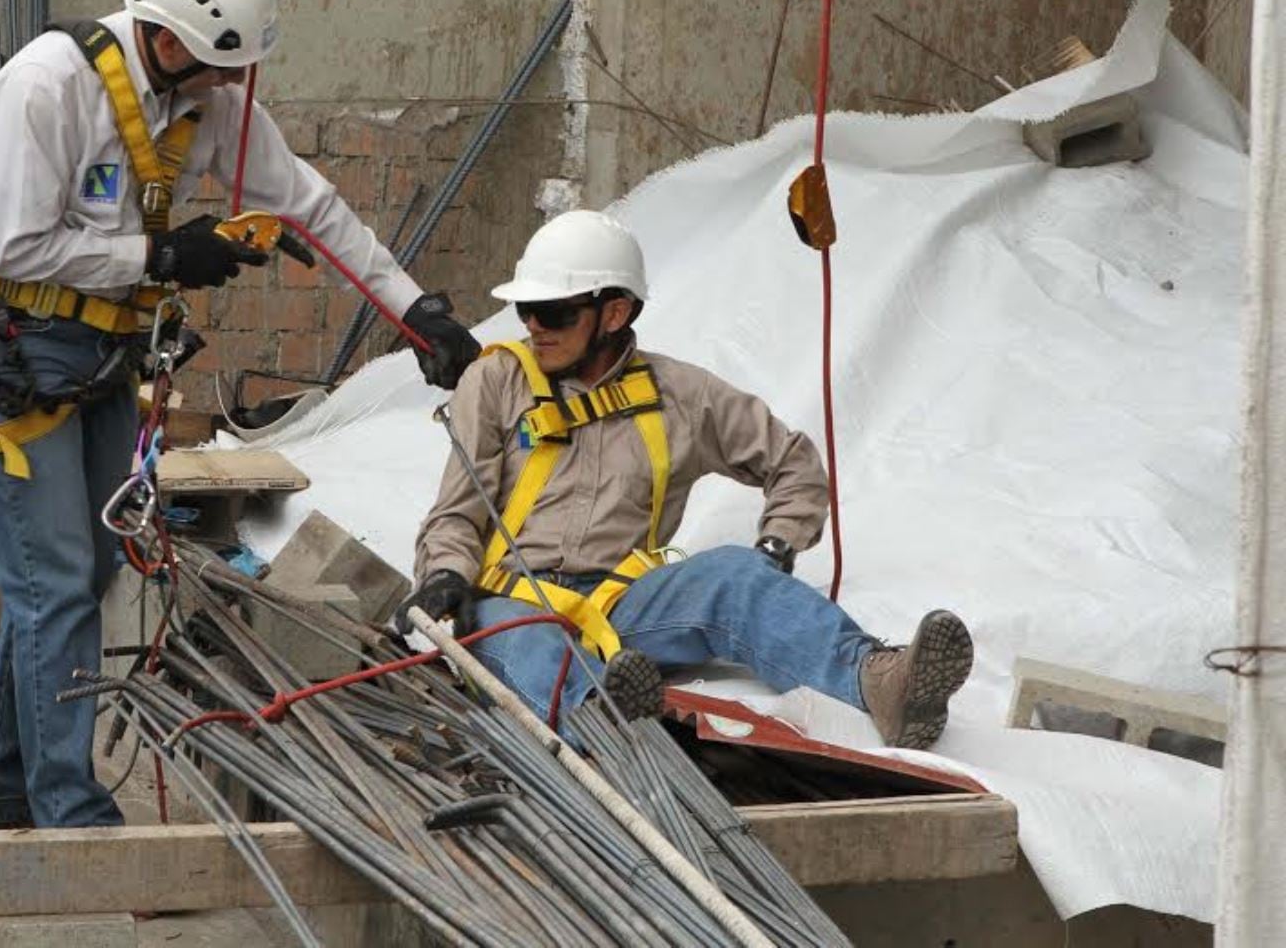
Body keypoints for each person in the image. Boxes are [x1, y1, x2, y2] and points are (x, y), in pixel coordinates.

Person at [0, 0, 480, 828]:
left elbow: (308, 203)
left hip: (96, 362)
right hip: (12, 359)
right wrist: (163, 251)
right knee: (53, 581)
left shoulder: (202, 99)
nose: (236, 87)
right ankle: (71, 819)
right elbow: (18, 243)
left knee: (76, 574)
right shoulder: (47, 86)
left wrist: (416, 314)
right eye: (225, 66)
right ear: (169, 41)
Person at [397, 209, 973, 750]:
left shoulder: (681, 396)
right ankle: (609, 732)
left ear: (614, 313)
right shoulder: (496, 381)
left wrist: (777, 546)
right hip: (508, 602)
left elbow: (793, 463)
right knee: (524, 639)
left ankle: (883, 684)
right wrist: (446, 574)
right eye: (527, 310)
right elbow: (458, 511)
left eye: (554, 313)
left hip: (624, 603)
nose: (533, 326)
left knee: (734, 575)